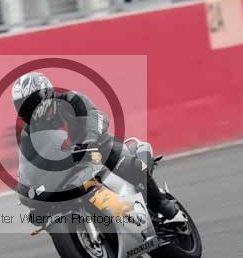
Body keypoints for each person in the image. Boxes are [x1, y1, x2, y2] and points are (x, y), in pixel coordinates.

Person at [11, 72, 180, 224]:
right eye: (22, 106)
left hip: (98, 148)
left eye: (30, 103)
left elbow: (97, 116)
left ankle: (160, 203)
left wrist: (90, 140)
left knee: (132, 166)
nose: (28, 109)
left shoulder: (71, 100)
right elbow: (29, 164)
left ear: (45, 93)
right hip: (69, 168)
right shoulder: (28, 135)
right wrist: (27, 188)